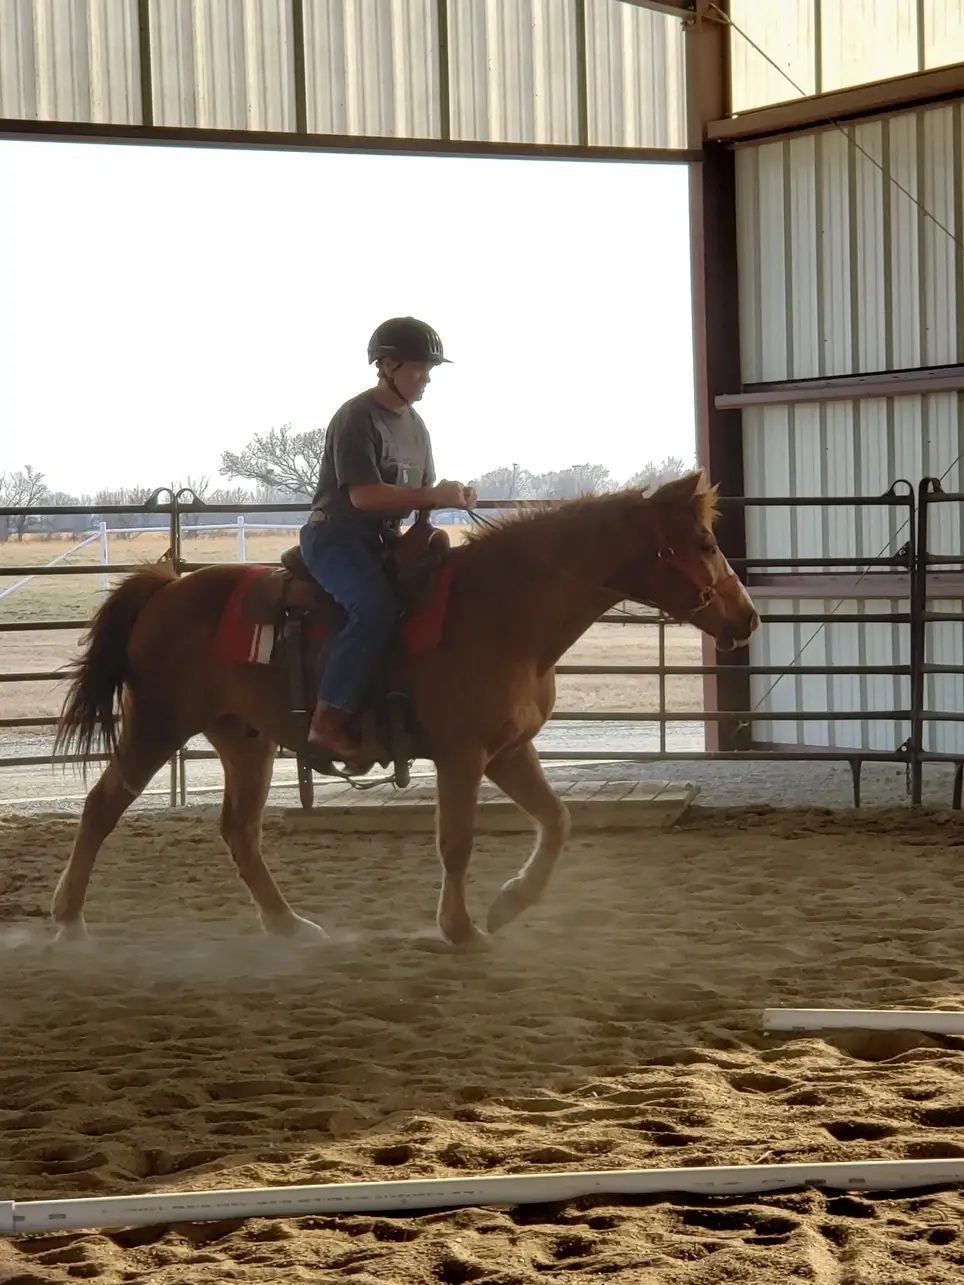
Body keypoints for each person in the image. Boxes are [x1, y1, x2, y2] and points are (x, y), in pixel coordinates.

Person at [300, 316, 476, 763]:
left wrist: (448, 496)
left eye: (429, 370)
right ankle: (327, 720)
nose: (427, 379)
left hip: (383, 539)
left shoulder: (416, 426)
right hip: (337, 537)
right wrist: (432, 495)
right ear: (387, 365)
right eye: (419, 369)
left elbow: (422, 491)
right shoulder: (357, 418)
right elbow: (363, 495)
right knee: (373, 608)